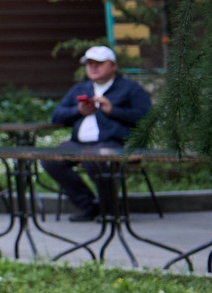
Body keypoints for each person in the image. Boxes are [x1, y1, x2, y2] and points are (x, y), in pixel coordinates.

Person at [46, 45, 153, 220]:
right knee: (51, 160)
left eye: (99, 63)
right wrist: (78, 111)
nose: (93, 67)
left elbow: (146, 117)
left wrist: (113, 111)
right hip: (78, 144)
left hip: (113, 143)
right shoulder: (81, 88)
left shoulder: (129, 88)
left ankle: (111, 209)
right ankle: (89, 205)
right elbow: (56, 116)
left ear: (113, 66)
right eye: (89, 64)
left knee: (95, 159)